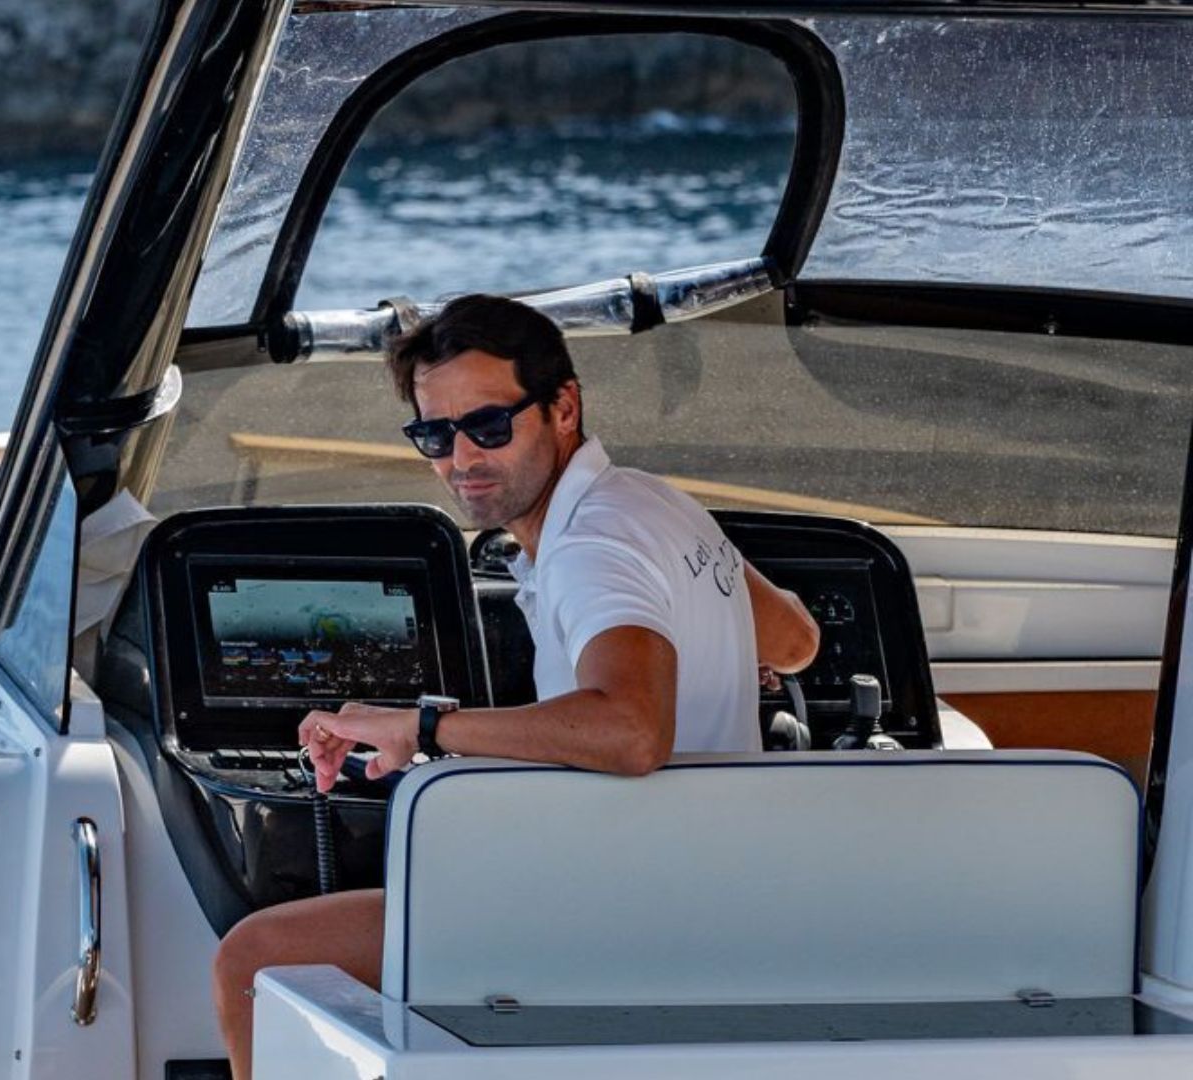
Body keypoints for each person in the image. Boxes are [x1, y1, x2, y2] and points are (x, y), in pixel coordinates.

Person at [210, 294, 821, 1078]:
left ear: (563, 407)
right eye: (435, 435)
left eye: (489, 426)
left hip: (619, 917)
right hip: (702, 895)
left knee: (257, 960)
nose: (462, 458)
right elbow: (797, 641)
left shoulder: (589, 546)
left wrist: (423, 728)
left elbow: (631, 731)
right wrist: (710, 646)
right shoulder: (654, 503)